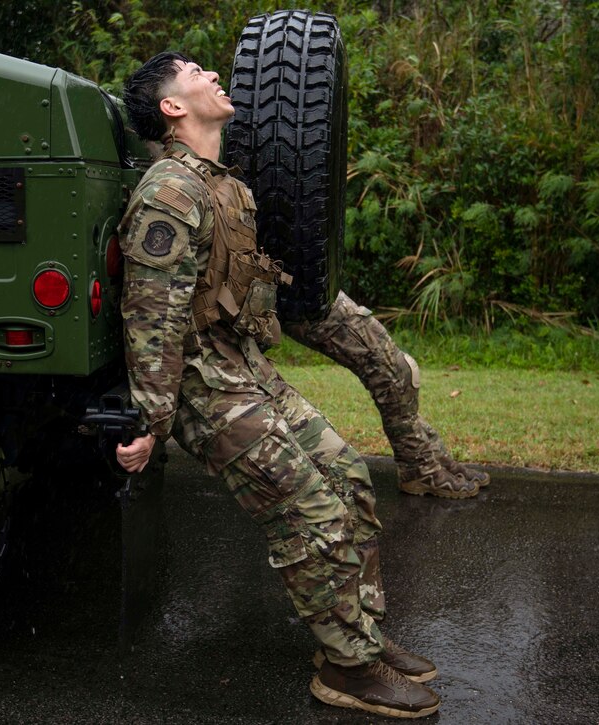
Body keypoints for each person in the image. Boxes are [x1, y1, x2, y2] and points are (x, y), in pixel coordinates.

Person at [114, 51, 440, 719]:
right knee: (307, 509)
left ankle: (357, 636)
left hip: (244, 370)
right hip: (206, 387)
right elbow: (152, 313)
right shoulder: (170, 191)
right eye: (194, 72)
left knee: (348, 476)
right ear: (172, 108)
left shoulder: (219, 183)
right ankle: (348, 669)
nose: (211, 74)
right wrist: (152, 420)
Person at [284, 297, 491, 499]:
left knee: (399, 370)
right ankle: (420, 467)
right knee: (390, 372)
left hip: (313, 291)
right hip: (294, 296)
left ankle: (432, 457)